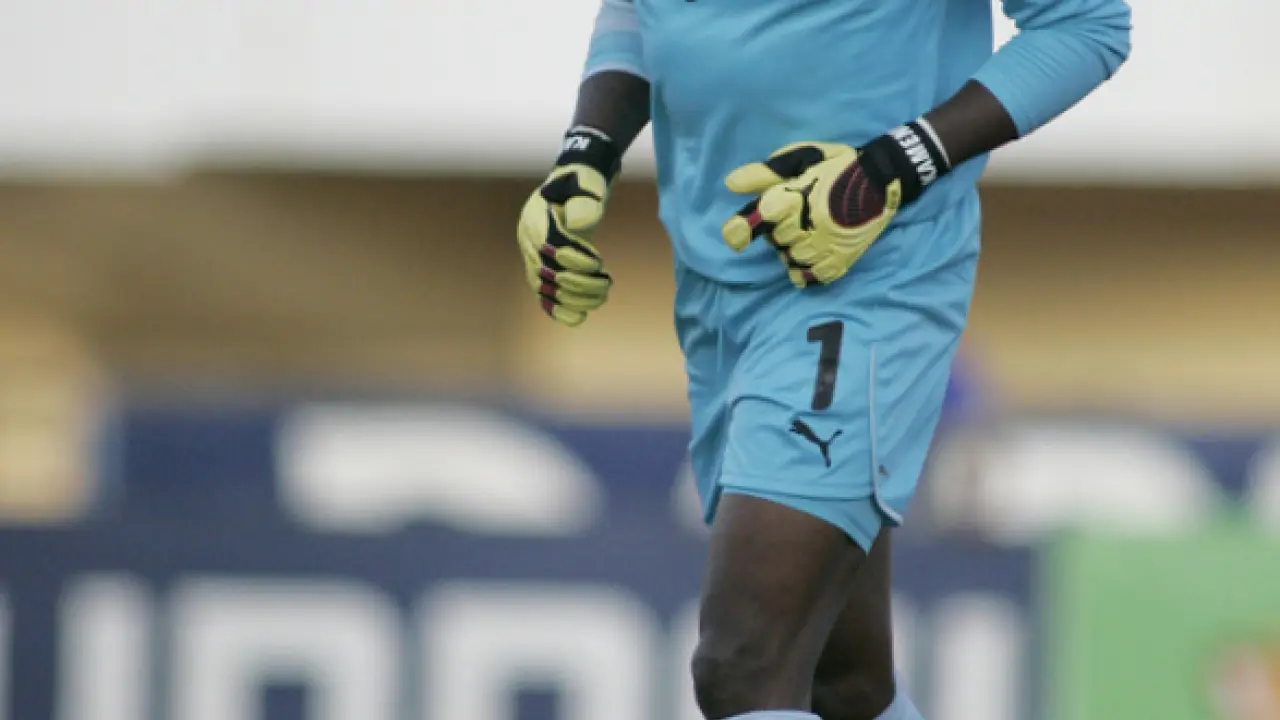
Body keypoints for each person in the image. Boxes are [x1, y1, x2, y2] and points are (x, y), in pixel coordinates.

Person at [514, 1, 1131, 718]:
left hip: (867, 277)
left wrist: (891, 165)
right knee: (846, 684)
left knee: (743, 664)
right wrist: (588, 148)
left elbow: (1088, 24)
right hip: (715, 280)